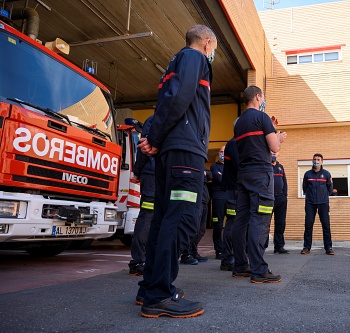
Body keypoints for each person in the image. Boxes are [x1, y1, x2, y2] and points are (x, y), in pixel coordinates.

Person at [135, 24, 217, 319]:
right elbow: (179, 98)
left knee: (163, 219)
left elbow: (167, 102)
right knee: (182, 217)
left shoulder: (177, 62)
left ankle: (150, 288)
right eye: (214, 48)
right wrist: (155, 138)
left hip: (172, 151)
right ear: (207, 43)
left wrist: (155, 137)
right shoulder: (195, 58)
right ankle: (159, 295)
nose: (213, 53)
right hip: (184, 152)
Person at [232, 85, 287, 284]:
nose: (263, 100)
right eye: (262, 97)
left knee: (241, 220)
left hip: (244, 174)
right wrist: (278, 137)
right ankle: (258, 270)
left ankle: (240, 266)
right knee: (260, 219)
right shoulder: (262, 118)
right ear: (257, 97)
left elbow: (252, 142)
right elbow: (274, 147)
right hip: (261, 175)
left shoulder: (238, 123)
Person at [129, 116, 154, 276]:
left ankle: (147, 259)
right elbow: (144, 148)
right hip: (152, 175)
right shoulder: (154, 120)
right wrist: (138, 171)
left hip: (159, 175)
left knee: (154, 218)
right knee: (148, 216)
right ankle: (138, 261)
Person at [301, 154, 335, 255]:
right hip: (310, 203)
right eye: (315, 159)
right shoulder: (307, 174)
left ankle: (328, 247)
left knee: (326, 225)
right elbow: (305, 188)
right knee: (308, 225)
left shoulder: (326, 174)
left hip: (323, 203)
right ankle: (306, 247)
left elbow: (330, 188)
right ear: (312, 161)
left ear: (322, 161)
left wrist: (323, 197)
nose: (316, 161)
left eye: (318, 159)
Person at [179, 169, 212, 265]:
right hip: (196, 200)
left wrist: (205, 174)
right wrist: (203, 175)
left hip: (204, 200)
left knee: (201, 230)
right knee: (194, 228)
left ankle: (193, 251)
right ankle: (186, 254)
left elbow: (210, 175)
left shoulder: (201, 165)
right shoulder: (192, 166)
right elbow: (199, 177)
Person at [220, 133, 239, 271]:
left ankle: (233, 257)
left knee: (236, 224)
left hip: (237, 190)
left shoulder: (236, 143)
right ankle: (227, 259)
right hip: (233, 190)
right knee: (232, 224)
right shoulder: (234, 144)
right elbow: (240, 165)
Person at [272, 152, 289, 254]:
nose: (273, 155)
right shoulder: (265, 166)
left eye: (275, 153)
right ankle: (262, 246)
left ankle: (279, 246)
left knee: (280, 223)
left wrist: (284, 195)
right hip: (269, 198)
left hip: (281, 198)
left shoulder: (280, 167)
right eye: (272, 153)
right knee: (266, 223)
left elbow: (284, 182)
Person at [210, 146, 226, 259]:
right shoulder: (214, 166)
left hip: (230, 199)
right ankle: (219, 251)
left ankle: (229, 250)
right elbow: (218, 178)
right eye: (221, 152)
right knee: (218, 226)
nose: (223, 154)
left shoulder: (231, 167)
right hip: (218, 199)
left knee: (231, 225)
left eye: (224, 152)